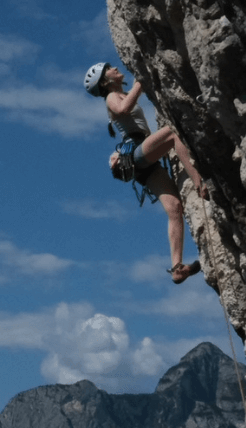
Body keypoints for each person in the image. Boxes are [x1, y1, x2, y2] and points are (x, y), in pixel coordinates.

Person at [84, 61, 208, 284]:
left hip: (141, 160)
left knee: (174, 208)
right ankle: (199, 181)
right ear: (105, 82)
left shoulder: (120, 94)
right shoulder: (111, 97)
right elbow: (123, 109)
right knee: (172, 134)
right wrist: (141, 82)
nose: (114, 68)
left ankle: (177, 267)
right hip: (137, 151)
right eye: (109, 69)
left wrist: (139, 84)